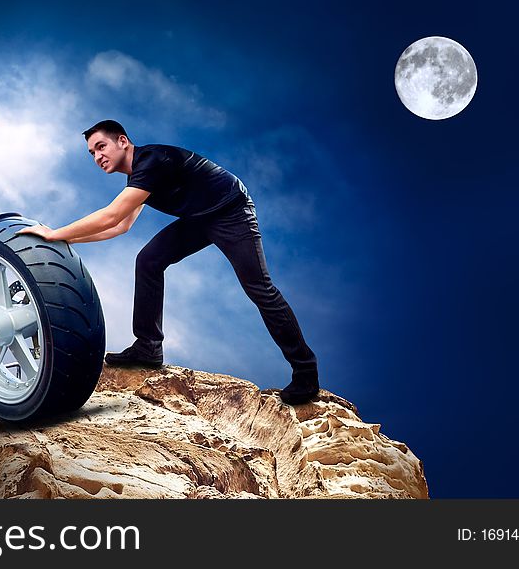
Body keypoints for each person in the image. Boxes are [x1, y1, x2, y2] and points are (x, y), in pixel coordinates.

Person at [18, 120, 319, 405]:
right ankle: (148, 347)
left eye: (101, 147)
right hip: (199, 218)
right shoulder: (137, 176)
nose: (97, 156)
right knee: (149, 260)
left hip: (231, 212)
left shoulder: (152, 161)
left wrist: (56, 233)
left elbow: (111, 216)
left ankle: (305, 373)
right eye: (92, 153)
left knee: (259, 288)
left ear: (122, 141)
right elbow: (120, 226)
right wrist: (61, 241)